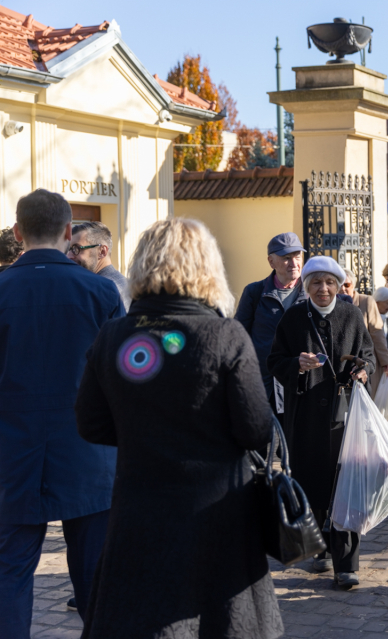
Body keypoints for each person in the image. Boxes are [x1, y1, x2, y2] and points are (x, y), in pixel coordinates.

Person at [74, 218, 283, 638]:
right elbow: (256, 431)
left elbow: (90, 423)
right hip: (217, 515)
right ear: (207, 266)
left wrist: (144, 434)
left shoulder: (114, 335)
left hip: (139, 514)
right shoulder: (226, 335)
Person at [0, 189, 124, 637]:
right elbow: (123, 379)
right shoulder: (99, 291)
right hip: (90, 454)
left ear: (18, 233)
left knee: (8, 576)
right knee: (97, 581)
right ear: (69, 232)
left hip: (12, 455)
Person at [267, 255, 375, 590]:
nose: (323, 289)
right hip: (307, 418)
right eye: (316, 282)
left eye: (329, 282)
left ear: (340, 284)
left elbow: (368, 355)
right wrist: (296, 364)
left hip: (345, 417)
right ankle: (322, 548)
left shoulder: (351, 314)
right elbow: (274, 360)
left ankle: (346, 565)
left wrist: (363, 370)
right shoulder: (295, 317)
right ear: (306, 286)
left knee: (346, 486)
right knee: (312, 484)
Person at [236, 232, 306, 409]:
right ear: (271, 261)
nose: (294, 263)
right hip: (264, 380)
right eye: (286, 258)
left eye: (297, 256)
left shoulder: (311, 294)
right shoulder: (254, 292)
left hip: (300, 378)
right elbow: (239, 336)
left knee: (296, 435)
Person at [340, 268, 388, 396]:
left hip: (365, 360)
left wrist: (385, 361)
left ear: (353, 285)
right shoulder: (334, 304)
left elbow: (377, 333)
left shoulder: (366, 301)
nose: (343, 289)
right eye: (339, 284)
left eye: (347, 285)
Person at [67, 221, 131, 310]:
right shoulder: (126, 285)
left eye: (76, 249)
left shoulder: (102, 289)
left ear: (102, 251)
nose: (68, 256)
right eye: (68, 250)